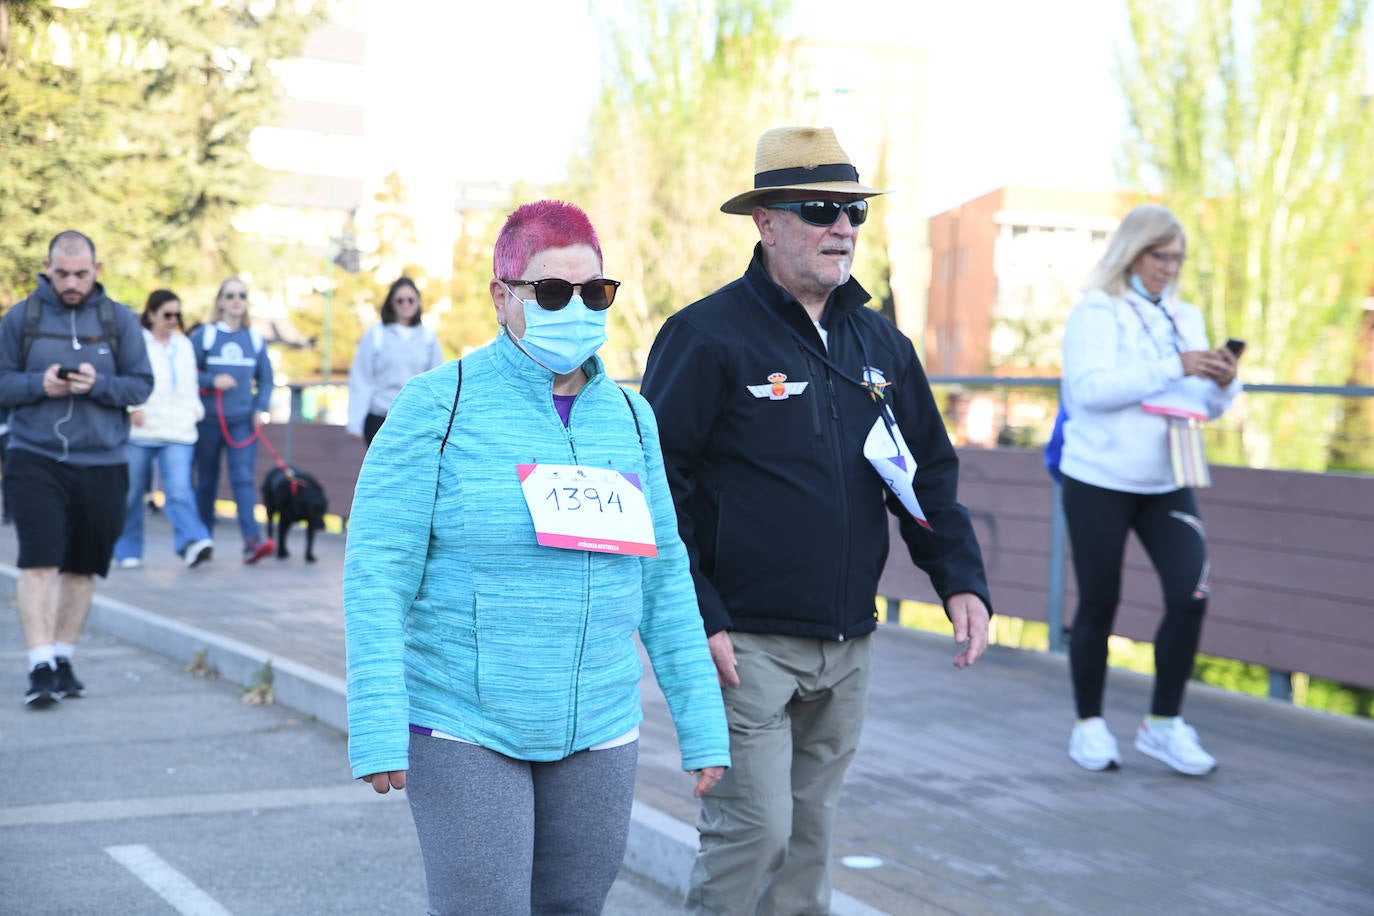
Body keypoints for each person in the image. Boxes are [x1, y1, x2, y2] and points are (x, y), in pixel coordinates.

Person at [640, 126, 993, 916]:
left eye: (853, 212)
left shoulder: (882, 344)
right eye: (819, 209)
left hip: (848, 642)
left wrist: (960, 580)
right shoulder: (706, 335)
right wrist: (695, 614)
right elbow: (661, 486)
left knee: (807, 846)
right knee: (754, 831)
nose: (842, 227)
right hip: (745, 643)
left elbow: (926, 470)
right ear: (765, 221)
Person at [343, 199, 730, 915]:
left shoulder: (632, 415)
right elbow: (376, 573)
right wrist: (374, 722)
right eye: (552, 291)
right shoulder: (438, 404)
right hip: (467, 722)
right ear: (503, 295)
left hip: (601, 726)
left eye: (595, 292)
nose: (576, 307)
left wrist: (702, 723)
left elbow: (664, 574)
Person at [1059, 204, 1241, 776]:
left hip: (1168, 479)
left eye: (1177, 258)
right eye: (1160, 256)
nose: (1169, 267)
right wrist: (1174, 365)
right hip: (1098, 479)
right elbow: (1088, 392)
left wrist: (1222, 385)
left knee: (1192, 593)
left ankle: (1163, 725)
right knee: (1099, 602)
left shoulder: (1186, 315)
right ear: (1132, 253)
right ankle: (1089, 725)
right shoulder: (1096, 310)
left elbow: (1202, 404)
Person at [0, 231, 153, 707]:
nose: (70, 282)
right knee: (39, 562)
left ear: (97, 270)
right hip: (35, 456)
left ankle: (63, 656)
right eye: (61, 273)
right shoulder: (21, 318)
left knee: (83, 568)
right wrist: (38, 384)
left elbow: (141, 385)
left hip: (103, 460)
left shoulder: (119, 320)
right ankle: (39, 663)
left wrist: (98, 385)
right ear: (47, 267)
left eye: (80, 274)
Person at [112, 290, 214, 570]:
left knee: (180, 490)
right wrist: (133, 408)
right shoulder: (136, 342)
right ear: (152, 313)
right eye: (167, 314)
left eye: (177, 315)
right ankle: (127, 548)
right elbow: (125, 377)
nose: (173, 320)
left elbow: (191, 383)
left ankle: (193, 542)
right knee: (132, 493)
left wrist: (195, 412)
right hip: (142, 431)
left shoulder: (183, 344)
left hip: (179, 430)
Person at [191, 277, 275, 564]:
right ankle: (202, 540)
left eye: (241, 295)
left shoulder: (254, 339)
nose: (236, 300)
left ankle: (252, 541)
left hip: (241, 422)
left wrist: (260, 408)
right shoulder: (205, 336)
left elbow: (266, 380)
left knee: (242, 479)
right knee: (206, 481)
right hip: (208, 421)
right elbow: (186, 372)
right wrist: (212, 379)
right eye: (230, 295)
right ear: (220, 302)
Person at [345, 276, 444, 446]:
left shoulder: (429, 338)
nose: (405, 304)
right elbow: (361, 379)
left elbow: (438, 382)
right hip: (380, 418)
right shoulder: (376, 335)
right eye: (400, 300)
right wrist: (355, 422)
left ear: (418, 303)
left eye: (410, 300)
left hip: (416, 419)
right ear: (391, 303)